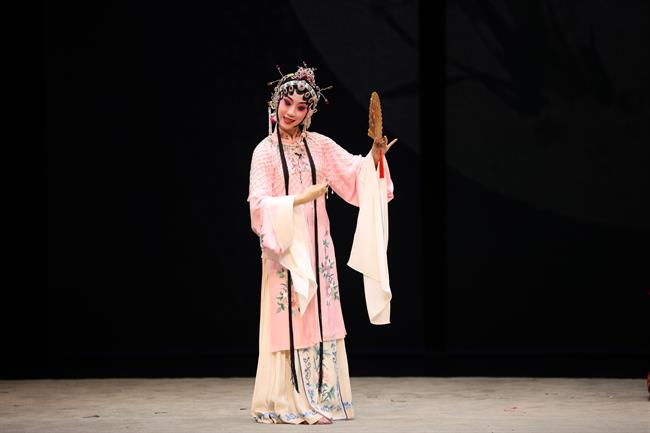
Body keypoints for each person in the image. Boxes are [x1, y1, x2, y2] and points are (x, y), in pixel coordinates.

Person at [247, 63, 395, 425]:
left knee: (321, 316)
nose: (291, 112)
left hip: (319, 250)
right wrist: (300, 199)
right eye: (287, 103)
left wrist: (375, 157)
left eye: (301, 107)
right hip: (285, 251)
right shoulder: (264, 152)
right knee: (290, 318)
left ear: (309, 112)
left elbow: (354, 173)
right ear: (275, 102)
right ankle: (290, 399)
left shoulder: (320, 146)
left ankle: (325, 398)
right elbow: (258, 206)